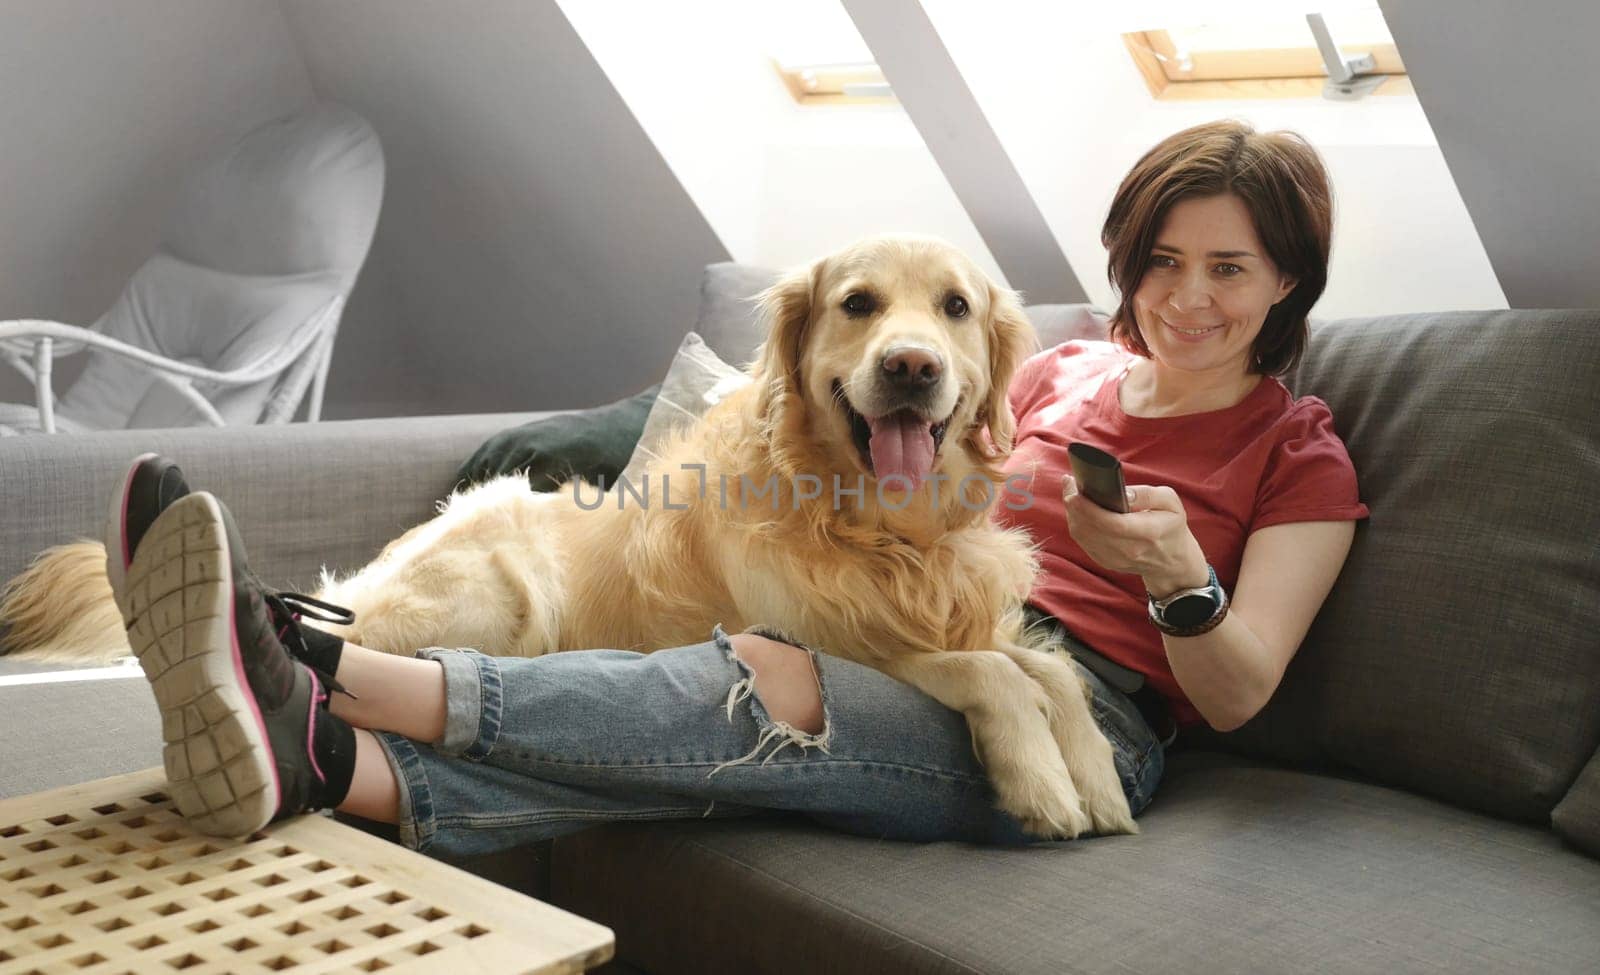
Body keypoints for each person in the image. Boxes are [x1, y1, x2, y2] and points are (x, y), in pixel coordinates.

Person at [109, 119, 1367, 852]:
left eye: (1231, 270)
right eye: (1162, 262)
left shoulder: (1295, 451)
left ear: (1286, 286)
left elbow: (1241, 691)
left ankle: (305, 666)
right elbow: (830, 460)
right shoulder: (1058, 377)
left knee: (759, 680)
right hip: (948, 636)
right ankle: (325, 767)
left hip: (1095, 724)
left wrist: (1176, 575)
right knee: (733, 678)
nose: (1188, 299)